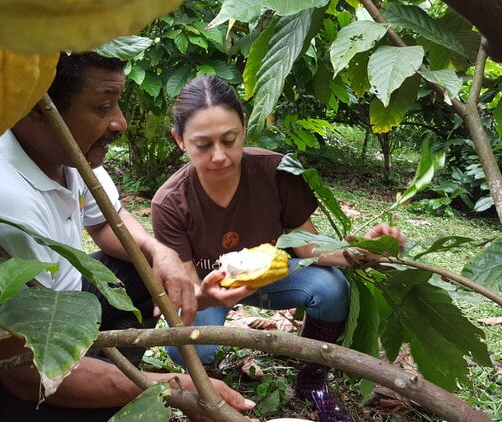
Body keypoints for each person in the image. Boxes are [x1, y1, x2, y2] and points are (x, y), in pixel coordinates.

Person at [0, 53, 255, 421]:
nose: (120, 121)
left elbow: (106, 220)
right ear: (36, 108)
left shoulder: (62, 153)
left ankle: (105, 368)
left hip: (58, 311)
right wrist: (172, 387)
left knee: (138, 264)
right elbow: (25, 371)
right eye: (103, 106)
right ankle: (106, 384)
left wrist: (158, 251)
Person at [151, 75, 406, 422]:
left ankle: (313, 380)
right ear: (179, 141)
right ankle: (212, 391)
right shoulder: (170, 202)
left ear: (244, 128)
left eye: (229, 140)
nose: (219, 156)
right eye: (202, 145)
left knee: (331, 288)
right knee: (189, 340)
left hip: (271, 277)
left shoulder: (277, 172)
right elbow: (186, 292)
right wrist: (207, 296)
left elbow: (308, 247)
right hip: (209, 288)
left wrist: (363, 251)